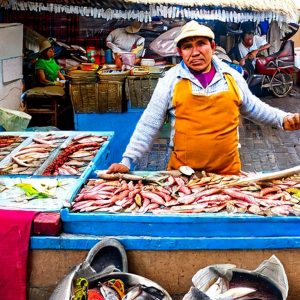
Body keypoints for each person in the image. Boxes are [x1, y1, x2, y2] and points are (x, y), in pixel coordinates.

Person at [108, 20, 300, 175]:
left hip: (227, 174)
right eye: (188, 47)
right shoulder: (171, 80)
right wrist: (128, 161)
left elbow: (253, 107)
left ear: (213, 46)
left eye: (201, 44)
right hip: (183, 176)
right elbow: (149, 123)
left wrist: (283, 119)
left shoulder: (231, 76)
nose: (195, 52)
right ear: (179, 52)